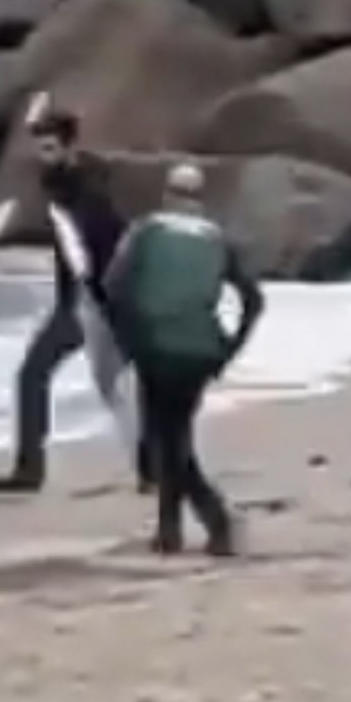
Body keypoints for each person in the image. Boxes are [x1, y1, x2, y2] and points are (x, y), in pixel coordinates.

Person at [102, 164, 265, 556]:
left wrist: (126, 339)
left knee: (165, 441)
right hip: (201, 351)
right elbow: (254, 299)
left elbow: (112, 287)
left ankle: (215, 519)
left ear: (167, 195)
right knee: (175, 436)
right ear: (200, 199)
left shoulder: (145, 231)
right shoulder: (216, 239)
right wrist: (229, 348)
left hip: (156, 348)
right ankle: (169, 530)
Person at [0, 102, 140, 494]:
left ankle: (154, 465)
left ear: (69, 148)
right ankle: (30, 469)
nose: (43, 156)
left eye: (50, 148)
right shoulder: (64, 181)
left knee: (110, 386)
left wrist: (100, 297)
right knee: (42, 377)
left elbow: (100, 243)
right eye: (40, 148)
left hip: (93, 303)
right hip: (79, 302)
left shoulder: (82, 192)